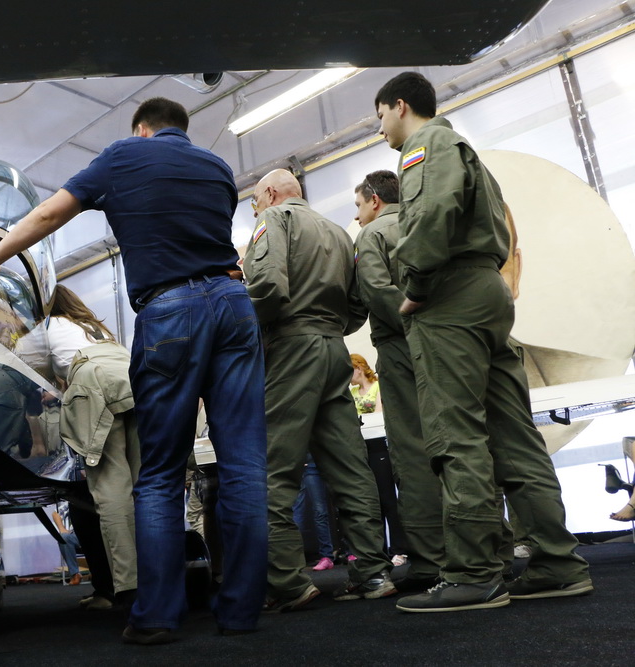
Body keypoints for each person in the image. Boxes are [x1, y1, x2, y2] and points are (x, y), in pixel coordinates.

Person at [0, 97, 268, 643]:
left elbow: (50, 213)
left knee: (159, 474)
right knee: (244, 466)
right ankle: (242, 612)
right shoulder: (217, 167)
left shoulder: (124, 154)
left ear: (142, 129)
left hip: (170, 310)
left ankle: (157, 617)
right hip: (233, 304)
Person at [373, 71, 592, 612]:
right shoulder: (465, 151)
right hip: (487, 293)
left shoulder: (426, 146)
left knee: (455, 434)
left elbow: (431, 216)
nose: (379, 129)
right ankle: (557, 562)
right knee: (514, 436)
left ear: (400, 106)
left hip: (450, 296)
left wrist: (415, 287)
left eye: (380, 116)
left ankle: (473, 572)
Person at [243, 168, 394, 609]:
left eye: (255, 202)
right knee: (350, 468)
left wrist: (247, 327)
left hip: (292, 348)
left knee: (275, 468)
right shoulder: (339, 232)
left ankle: (289, 582)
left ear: (270, 193)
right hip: (334, 350)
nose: (255, 210)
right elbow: (357, 303)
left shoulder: (274, 219)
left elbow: (267, 285)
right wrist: (330, 329)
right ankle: (373, 572)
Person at [352, 169, 445, 590]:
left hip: (400, 347)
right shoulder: (424, 223)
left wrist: (411, 325)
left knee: (412, 450)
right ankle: (485, 550)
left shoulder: (371, 235)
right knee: (460, 444)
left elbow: (375, 291)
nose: (357, 215)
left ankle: (431, 560)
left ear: (374, 200)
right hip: (445, 344)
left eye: (358, 205)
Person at [49, 285, 139, 606]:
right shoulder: (94, 327)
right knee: (142, 487)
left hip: (94, 381)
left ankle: (127, 586)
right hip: (133, 378)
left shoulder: (47, 326)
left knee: (110, 487)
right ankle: (158, 577)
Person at [52, 503, 83, 586]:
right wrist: (62, 529)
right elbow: (55, 513)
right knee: (64, 537)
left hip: (98, 534)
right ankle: (75, 574)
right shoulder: (73, 502)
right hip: (78, 536)